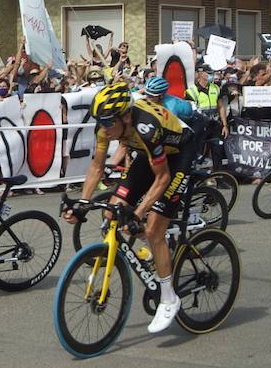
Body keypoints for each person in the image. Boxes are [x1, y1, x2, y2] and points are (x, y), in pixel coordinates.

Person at [67, 83, 194, 333]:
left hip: (179, 153)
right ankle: (156, 250)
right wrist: (82, 202)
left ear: (125, 116)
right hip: (148, 154)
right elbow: (97, 167)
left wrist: (138, 213)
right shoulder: (107, 127)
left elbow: (163, 178)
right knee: (111, 211)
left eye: (108, 122)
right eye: (100, 122)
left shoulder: (146, 128)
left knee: (154, 228)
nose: (103, 128)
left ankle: (169, 298)